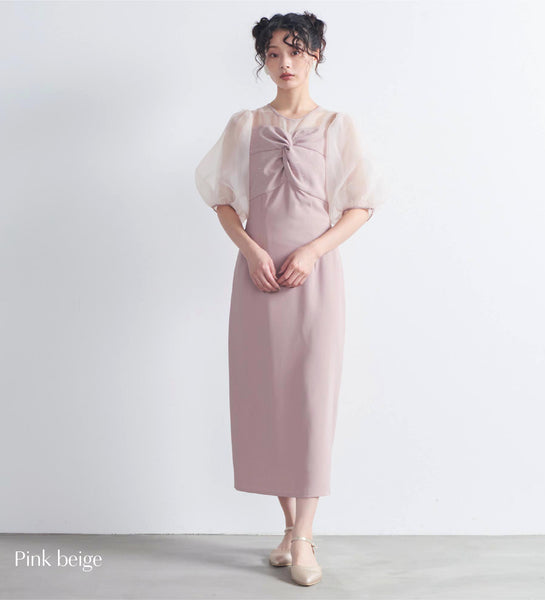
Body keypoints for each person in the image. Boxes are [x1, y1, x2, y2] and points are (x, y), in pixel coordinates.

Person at [195, 11, 384, 587]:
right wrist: (253, 251)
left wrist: (312, 252)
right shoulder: (246, 124)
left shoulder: (337, 126)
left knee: (310, 400)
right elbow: (222, 199)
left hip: (314, 280)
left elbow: (362, 204)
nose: (285, 63)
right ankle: (288, 529)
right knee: (268, 402)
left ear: (317, 54)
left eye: (296, 51)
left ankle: (304, 537)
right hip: (259, 280)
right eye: (273, 54)